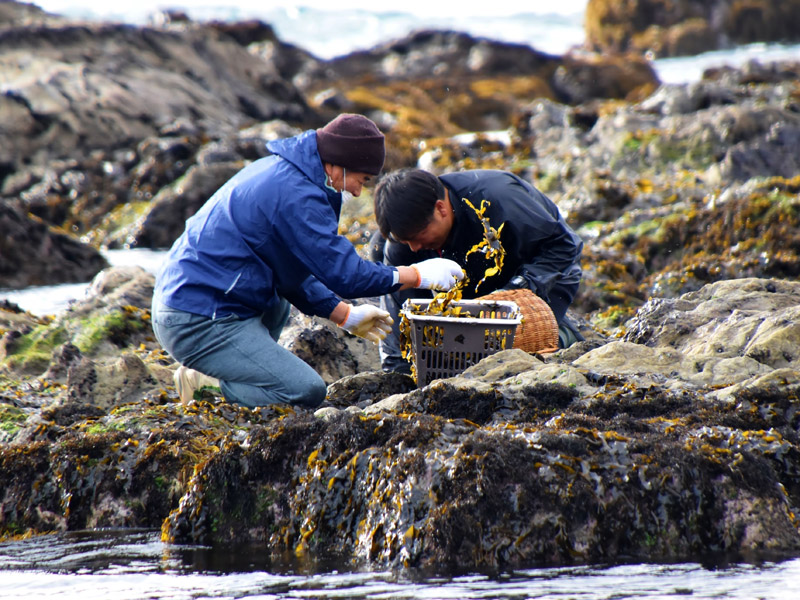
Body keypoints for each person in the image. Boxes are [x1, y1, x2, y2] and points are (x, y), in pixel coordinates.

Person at [151, 114, 464, 408]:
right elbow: (346, 276)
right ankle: (207, 384)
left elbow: (290, 272)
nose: (357, 192)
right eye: (362, 179)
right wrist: (414, 275)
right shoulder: (297, 193)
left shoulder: (290, 172)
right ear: (341, 163)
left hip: (204, 299)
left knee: (277, 301)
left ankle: (242, 371)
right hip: (195, 317)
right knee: (305, 391)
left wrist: (344, 315)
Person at [371, 167, 584, 374]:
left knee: (513, 351)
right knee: (379, 249)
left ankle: (564, 335)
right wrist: (400, 371)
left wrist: (518, 289)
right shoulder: (406, 240)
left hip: (543, 274)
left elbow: (564, 245)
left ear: (441, 209)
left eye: (419, 236)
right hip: (475, 284)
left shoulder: (499, 198)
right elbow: (402, 315)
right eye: (405, 240)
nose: (414, 248)